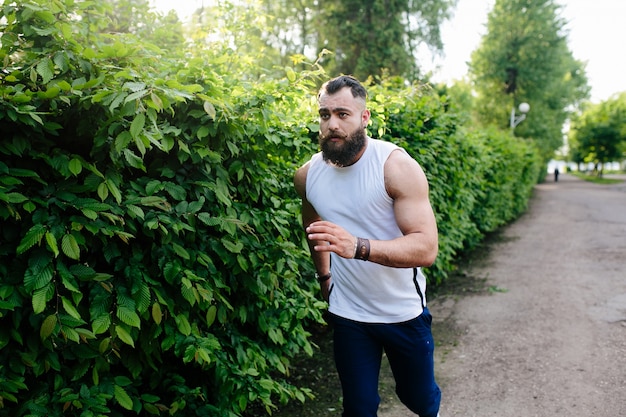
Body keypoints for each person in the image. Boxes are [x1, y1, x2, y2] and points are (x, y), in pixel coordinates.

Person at [293, 75, 441, 417]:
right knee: (358, 408)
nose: (332, 124)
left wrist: (358, 246)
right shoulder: (307, 175)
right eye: (324, 114)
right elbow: (313, 228)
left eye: (343, 114)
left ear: (365, 117)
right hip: (349, 313)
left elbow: (426, 248)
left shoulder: (395, 167)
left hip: (402, 311)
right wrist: (324, 278)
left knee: (418, 398)